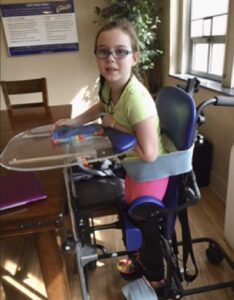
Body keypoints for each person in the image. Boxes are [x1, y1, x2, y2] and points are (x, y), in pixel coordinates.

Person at [54, 19, 169, 291]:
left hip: (149, 171)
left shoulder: (136, 100)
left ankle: (156, 278)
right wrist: (75, 121)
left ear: (135, 57)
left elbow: (150, 154)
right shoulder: (108, 85)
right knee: (129, 212)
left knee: (144, 219)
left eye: (120, 51)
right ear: (96, 56)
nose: (111, 59)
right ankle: (138, 259)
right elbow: (100, 107)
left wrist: (113, 125)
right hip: (132, 168)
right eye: (103, 51)